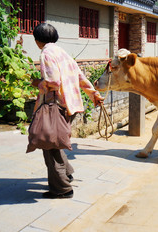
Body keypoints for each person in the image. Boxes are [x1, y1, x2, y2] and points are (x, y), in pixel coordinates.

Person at [31, 22, 105, 199]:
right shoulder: (62, 52)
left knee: (49, 146)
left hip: (56, 106)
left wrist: (37, 83)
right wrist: (93, 94)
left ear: (37, 40)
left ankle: (62, 189)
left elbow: (53, 82)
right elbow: (80, 77)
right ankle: (67, 173)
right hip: (71, 105)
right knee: (56, 142)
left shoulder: (47, 53)